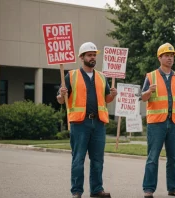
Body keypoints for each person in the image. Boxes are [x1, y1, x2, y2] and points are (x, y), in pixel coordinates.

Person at [57, 42, 117, 198]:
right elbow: (61, 100)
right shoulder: (71, 75)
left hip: (98, 123)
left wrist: (113, 94)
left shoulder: (102, 77)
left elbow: (107, 99)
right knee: (78, 159)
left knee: (98, 160)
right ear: (82, 57)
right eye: (89, 55)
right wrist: (61, 94)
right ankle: (76, 191)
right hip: (79, 124)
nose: (92, 57)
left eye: (94, 55)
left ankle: (97, 190)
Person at [141, 43, 175, 198]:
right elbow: (143, 97)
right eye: (167, 55)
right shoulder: (151, 76)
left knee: (173, 158)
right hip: (156, 123)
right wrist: (148, 91)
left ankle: (174, 188)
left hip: (174, 122)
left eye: (172, 56)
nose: (170, 58)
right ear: (160, 58)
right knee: (153, 157)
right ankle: (148, 189)